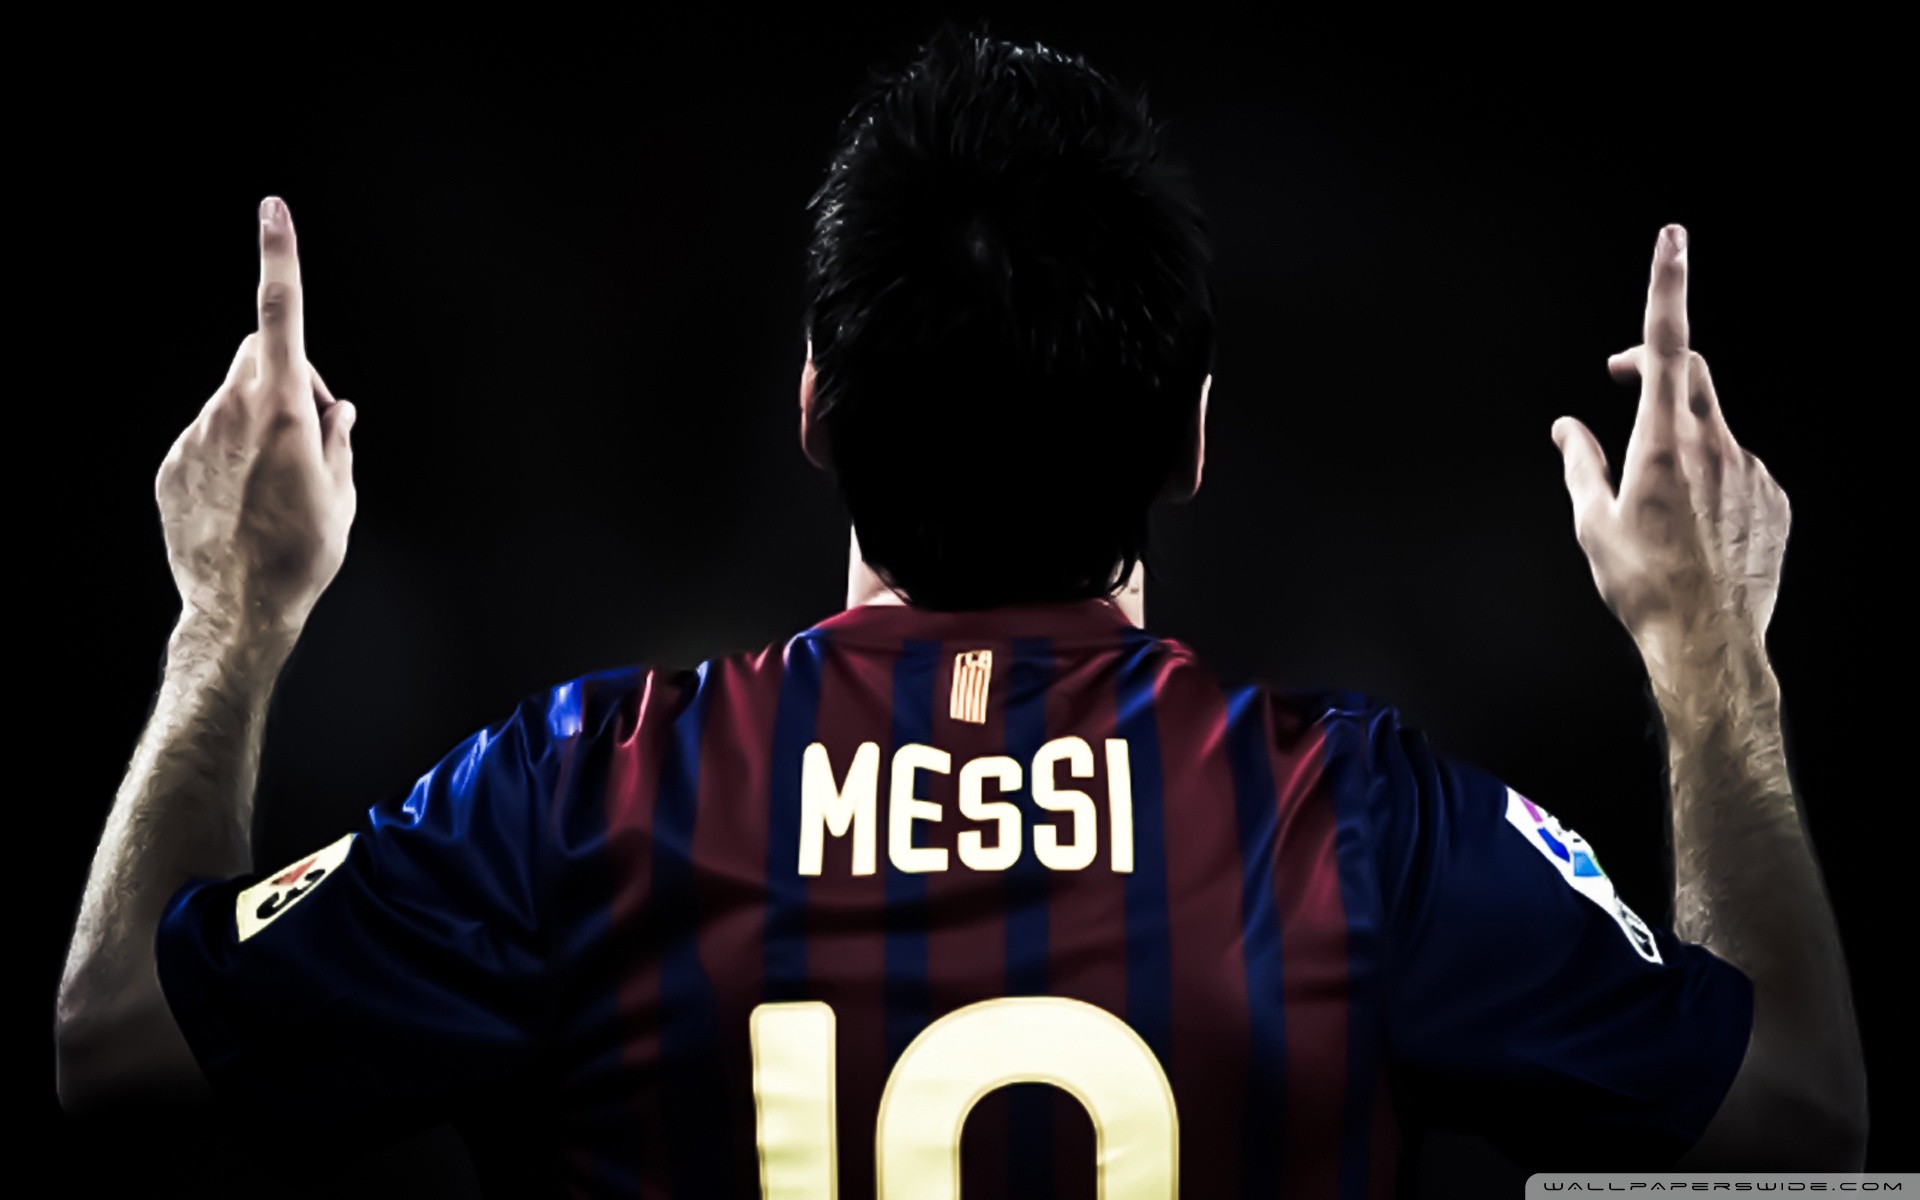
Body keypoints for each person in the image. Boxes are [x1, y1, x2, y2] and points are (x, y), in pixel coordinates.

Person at [54, 27, 1865, 1198]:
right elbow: (1799, 1124)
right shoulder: (1358, 829)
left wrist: (232, 619)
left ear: (812, 407)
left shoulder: (579, 796)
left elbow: (119, 1045)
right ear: (1192, 441)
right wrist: (1712, 658)